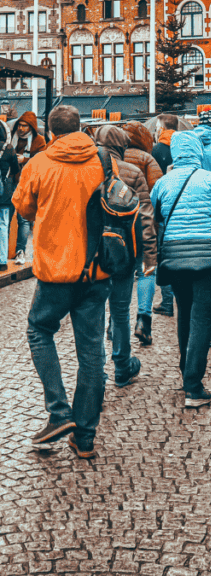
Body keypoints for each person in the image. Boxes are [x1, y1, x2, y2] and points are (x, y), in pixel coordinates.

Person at [13, 105, 110, 458]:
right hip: (96, 269)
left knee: (39, 330)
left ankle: (59, 412)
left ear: (52, 132)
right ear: (81, 127)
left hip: (56, 270)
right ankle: (84, 436)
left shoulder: (39, 163)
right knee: (91, 354)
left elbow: (23, 207)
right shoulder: (103, 160)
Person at [151, 131, 211, 407]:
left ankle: (184, 371)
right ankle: (194, 386)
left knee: (184, 314)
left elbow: (156, 221)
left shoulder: (162, 183)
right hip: (210, 259)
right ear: (197, 151)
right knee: (202, 318)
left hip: (175, 258)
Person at [94, 126, 157, 377]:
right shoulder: (132, 172)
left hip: (93, 254)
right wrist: (149, 257)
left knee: (95, 311)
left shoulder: (87, 170)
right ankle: (122, 364)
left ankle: (95, 371)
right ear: (122, 146)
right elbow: (145, 218)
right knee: (120, 311)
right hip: (123, 253)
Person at [122, 121, 163, 341]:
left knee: (120, 272)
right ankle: (143, 321)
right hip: (143, 225)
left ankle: (114, 324)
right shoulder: (147, 159)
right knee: (147, 270)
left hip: (117, 226)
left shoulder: (112, 159)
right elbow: (156, 194)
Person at [151, 114, 180, 315]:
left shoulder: (157, 150)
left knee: (163, 255)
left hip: (162, 211)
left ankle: (168, 301)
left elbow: (154, 182)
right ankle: (180, 298)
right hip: (181, 208)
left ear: (161, 127)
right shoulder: (183, 147)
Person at [9, 111, 46, 264]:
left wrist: (25, 159)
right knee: (7, 217)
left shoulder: (39, 140)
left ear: (31, 128)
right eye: (20, 125)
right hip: (10, 181)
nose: (22, 129)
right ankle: (6, 250)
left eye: (25, 126)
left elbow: (43, 160)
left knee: (23, 219)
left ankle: (20, 251)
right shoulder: (11, 137)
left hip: (27, 182)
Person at [0, 120, 20, 272]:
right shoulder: (8, 149)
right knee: (3, 225)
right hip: (4, 194)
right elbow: (15, 169)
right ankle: (2, 260)